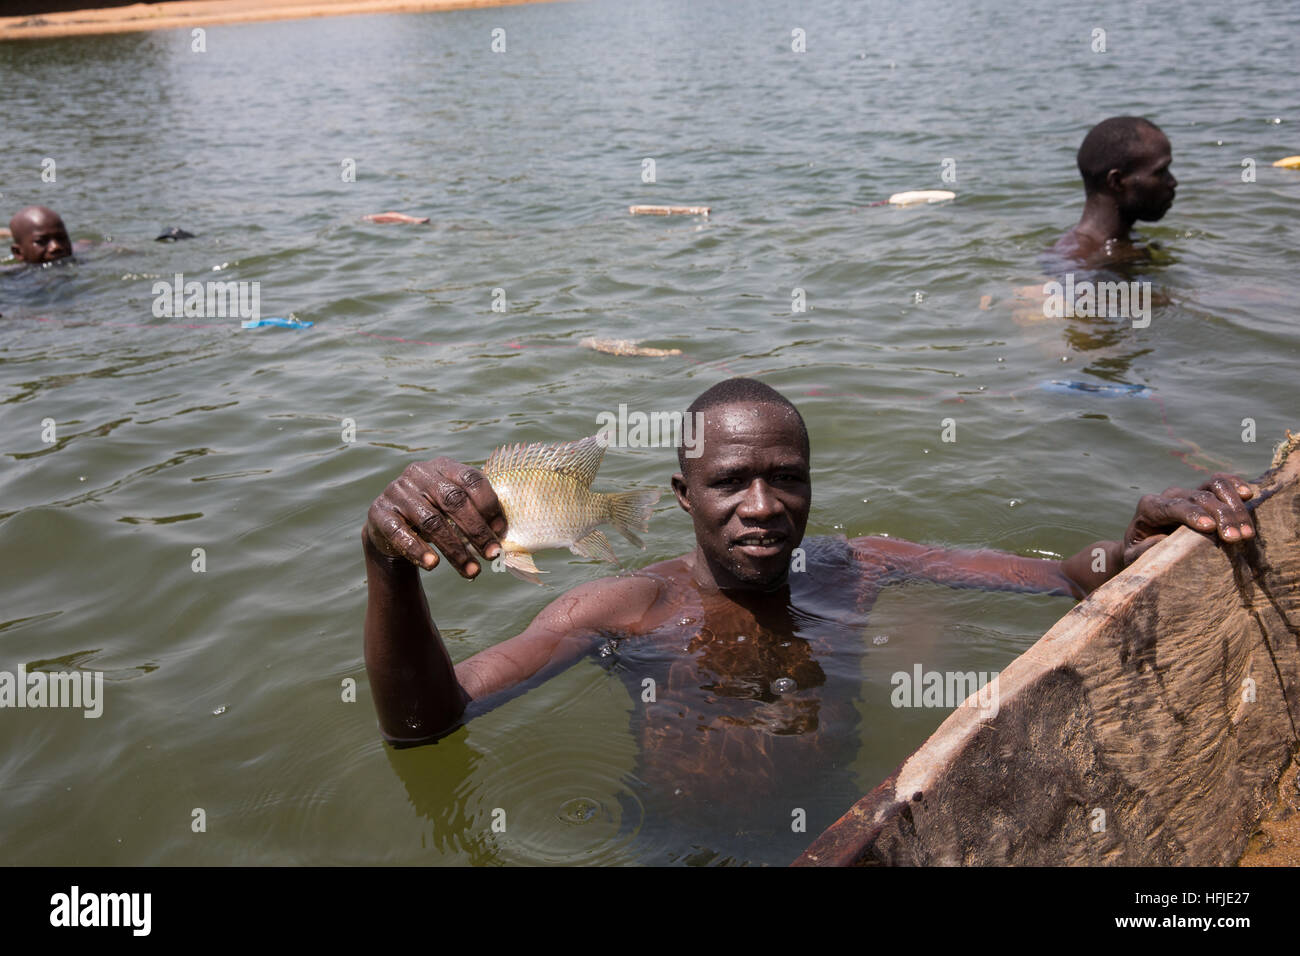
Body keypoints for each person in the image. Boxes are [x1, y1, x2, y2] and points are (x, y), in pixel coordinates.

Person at [362, 378, 1255, 856]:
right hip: (678, 845)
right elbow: (427, 723)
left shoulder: (855, 565)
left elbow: (1059, 578)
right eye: (730, 482)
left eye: (786, 477)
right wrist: (390, 569)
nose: (762, 505)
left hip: (842, 828)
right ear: (682, 496)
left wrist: (1132, 542)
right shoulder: (622, 607)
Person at [1051, 116, 1178, 266]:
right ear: (1116, 182)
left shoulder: (1119, 243)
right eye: (1160, 172)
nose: (1173, 182)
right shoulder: (1082, 260)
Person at [8, 205, 73, 264]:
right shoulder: (12, 275)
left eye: (61, 238)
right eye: (41, 241)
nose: (56, 247)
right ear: (18, 252)